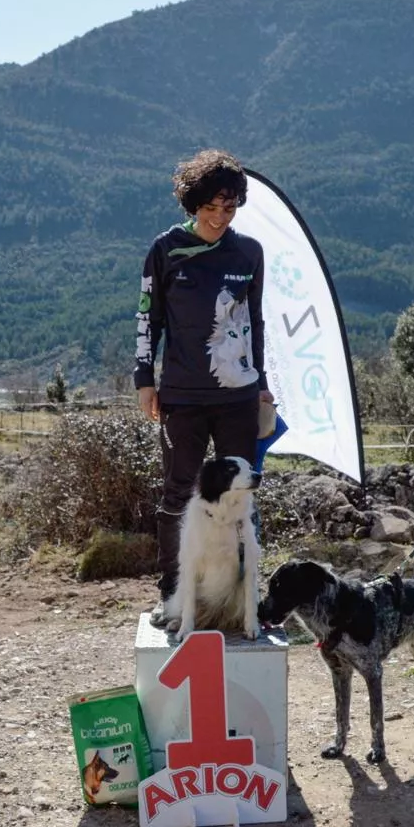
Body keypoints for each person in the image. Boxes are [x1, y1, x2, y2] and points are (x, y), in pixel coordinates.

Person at [133, 149, 273, 625]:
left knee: (242, 497)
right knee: (177, 493)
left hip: (238, 397)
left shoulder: (249, 252)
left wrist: (263, 387)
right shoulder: (166, 249)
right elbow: (146, 319)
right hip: (182, 398)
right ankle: (171, 595)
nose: (219, 217)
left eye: (229, 208)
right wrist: (144, 381)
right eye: (210, 208)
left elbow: (254, 323)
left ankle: (245, 599)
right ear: (192, 204)